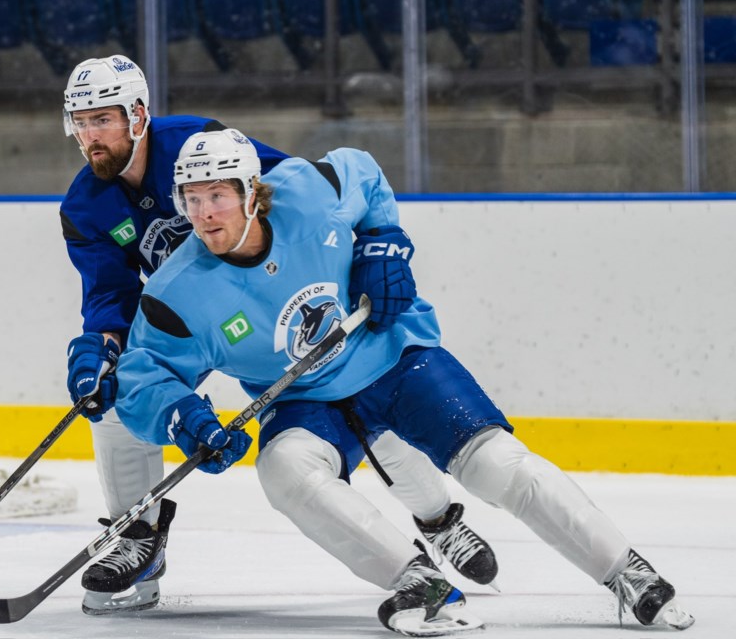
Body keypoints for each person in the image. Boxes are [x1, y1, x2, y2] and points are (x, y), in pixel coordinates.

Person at [109, 128, 695, 635]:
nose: (205, 213)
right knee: (283, 471)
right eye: (192, 199)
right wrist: (184, 417)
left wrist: (382, 240)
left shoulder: (308, 194)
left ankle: (626, 570)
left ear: (251, 194)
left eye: (218, 195)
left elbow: (361, 170)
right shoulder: (178, 290)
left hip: (393, 355)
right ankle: (417, 581)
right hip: (306, 401)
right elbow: (143, 374)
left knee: (496, 464)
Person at [58, 55, 498, 616]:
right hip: (198, 321)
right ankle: (138, 536)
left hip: (282, 299)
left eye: (103, 120)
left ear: (138, 114)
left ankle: (438, 520)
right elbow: (110, 297)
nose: (89, 135)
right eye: (80, 121)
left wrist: (372, 245)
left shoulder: (198, 140)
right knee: (120, 393)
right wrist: (103, 347)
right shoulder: (84, 206)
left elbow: (298, 195)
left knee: (364, 404)